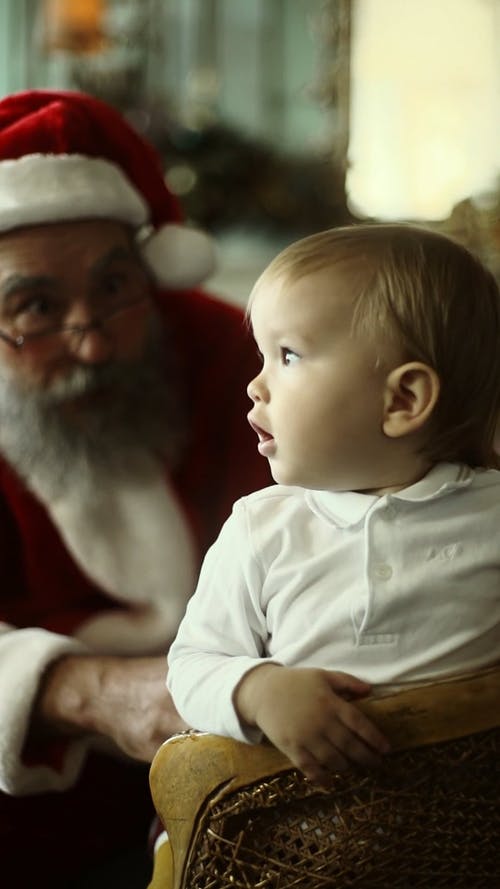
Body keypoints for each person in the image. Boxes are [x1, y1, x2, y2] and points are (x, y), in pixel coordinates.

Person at [0, 89, 271, 888]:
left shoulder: (237, 353)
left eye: (116, 286)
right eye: (35, 307)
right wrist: (82, 689)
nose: (90, 341)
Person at [168, 223, 500, 787]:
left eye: (288, 355)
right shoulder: (263, 529)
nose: (256, 386)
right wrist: (259, 690)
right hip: (290, 847)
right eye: (261, 357)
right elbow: (192, 666)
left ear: (402, 399)